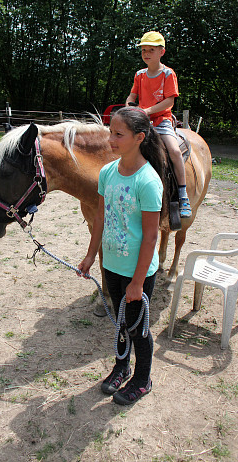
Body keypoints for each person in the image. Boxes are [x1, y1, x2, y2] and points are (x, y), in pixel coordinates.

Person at [78, 107, 165, 405]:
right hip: (112, 265)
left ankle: (143, 379)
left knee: (138, 328)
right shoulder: (107, 172)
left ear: (139, 137)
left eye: (118, 134)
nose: (111, 139)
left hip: (137, 273)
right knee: (120, 322)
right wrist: (91, 256)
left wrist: (138, 282)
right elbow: (100, 218)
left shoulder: (148, 181)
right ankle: (121, 365)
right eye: (110, 132)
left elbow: (151, 236)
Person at [125, 30, 192, 218]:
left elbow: (169, 102)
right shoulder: (139, 74)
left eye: (151, 50)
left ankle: (182, 193)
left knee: (175, 151)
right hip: (142, 121)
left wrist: (146, 111)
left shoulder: (168, 74)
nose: (146, 53)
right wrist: (128, 107)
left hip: (161, 121)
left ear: (161, 52)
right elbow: (132, 96)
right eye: (143, 50)